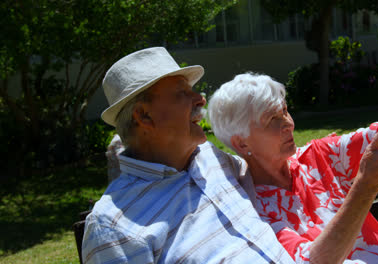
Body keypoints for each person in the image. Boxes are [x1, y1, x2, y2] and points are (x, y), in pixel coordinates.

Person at [207, 5, 378, 263]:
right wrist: (366, 186)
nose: (287, 123)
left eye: (285, 111)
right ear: (241, 143)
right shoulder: (251, 211)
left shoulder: (316, 158)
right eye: (271, 119)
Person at [81, 47, 295, 263]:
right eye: (181, 93)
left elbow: (266, 170)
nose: (200, 99)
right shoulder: (113, 227)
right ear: (144, 115)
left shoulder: (212, 158)